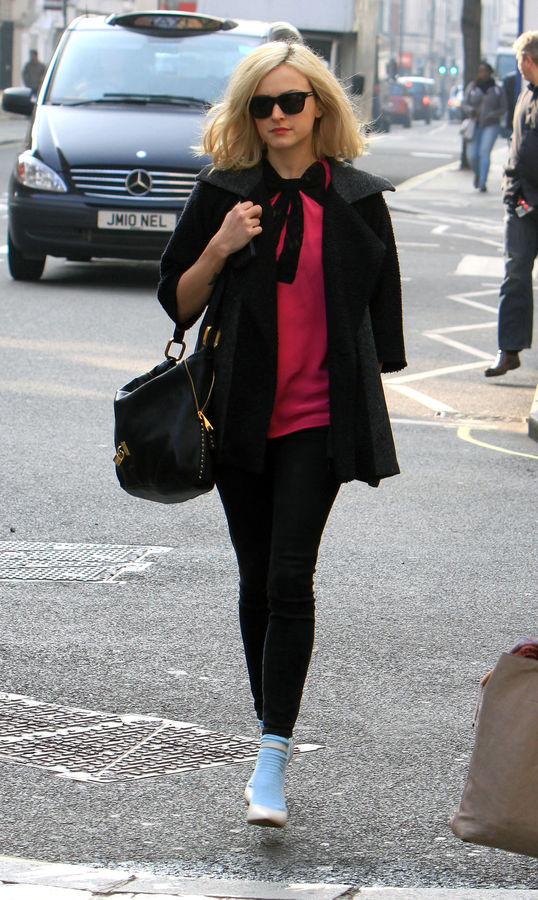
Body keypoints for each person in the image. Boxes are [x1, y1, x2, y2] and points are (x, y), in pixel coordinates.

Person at [157, 41, 406, 828]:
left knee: (292, 576)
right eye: (261, 104)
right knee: (257, 579)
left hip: (319, 420)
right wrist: (222, 244)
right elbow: (178, 302)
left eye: (291, 101)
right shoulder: (223, 193)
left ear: (319, 106)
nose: (276, 116)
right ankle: (271, 723)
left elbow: (381, 329)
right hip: (237, 416)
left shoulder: (358, 199)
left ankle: (271, 756)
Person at [485, 32, 538, 377]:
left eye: (520, 60)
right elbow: (516, 146)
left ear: (528, 60)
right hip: (522, 203)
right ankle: (509, 350)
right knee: (515, 276)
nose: (518, 67)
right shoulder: (525, 94)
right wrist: (510, 189)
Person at [462, 60, 506, 192]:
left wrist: (492, 114)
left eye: (486, 71)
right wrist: (471, 110)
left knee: (484, 152)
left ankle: (483, 181)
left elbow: (504, 108)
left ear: (490, 73)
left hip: (491, 125)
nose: (483, 74)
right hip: (475, 124)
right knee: (472, 155)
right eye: (480, 71)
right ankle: (477, 173)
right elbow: (465, 104)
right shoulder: (473, 87)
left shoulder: (497, 89)